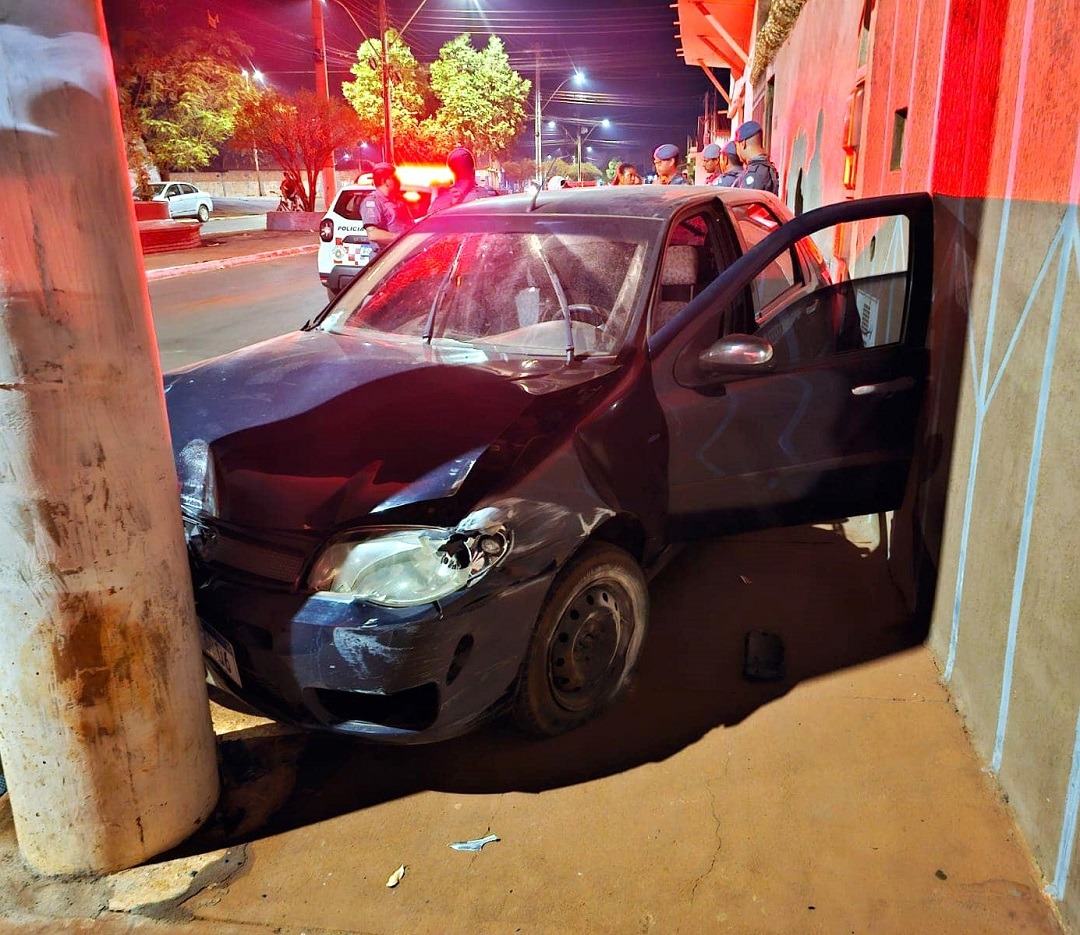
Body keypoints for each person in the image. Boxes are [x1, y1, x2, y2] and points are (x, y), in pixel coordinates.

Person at [428, 147, 497, 214]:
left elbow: (430, 220)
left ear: (451, 173)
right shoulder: (491, 196)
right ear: (473, 171)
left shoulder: (443, 201)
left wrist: (435, 191)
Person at [359, 163, 414, 245]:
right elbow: (373, 234)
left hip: (404, 252)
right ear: (385, 181)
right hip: (388, 254)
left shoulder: (399, 200)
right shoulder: (373, 201)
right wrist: (402, 239)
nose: (398, 182)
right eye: (394, 179)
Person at [733, 120, 780, 194]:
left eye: (736, 146)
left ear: (743, 144)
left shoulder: (754, 173)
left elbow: (745, 204)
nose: (736, 151)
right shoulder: (765, 168)